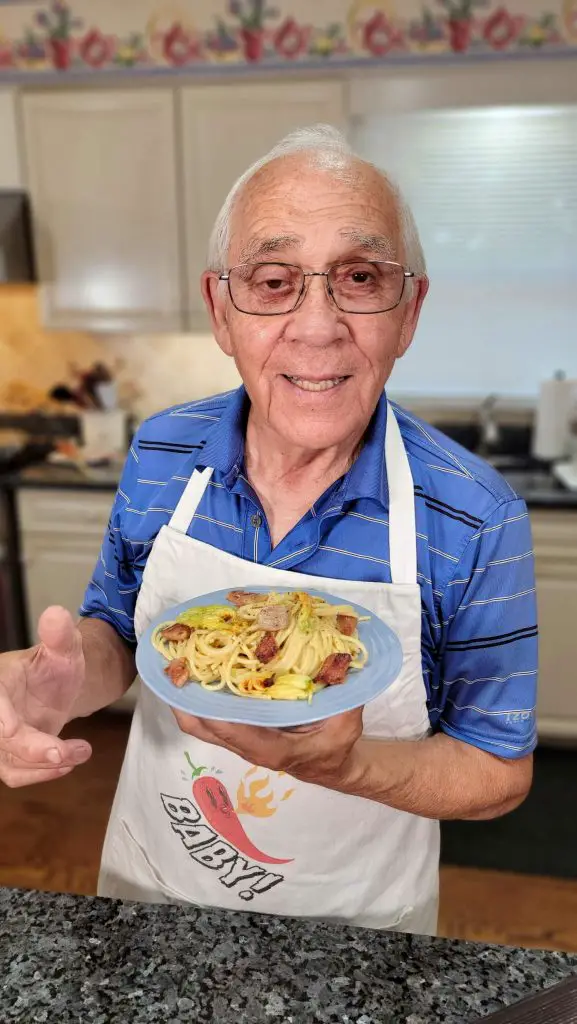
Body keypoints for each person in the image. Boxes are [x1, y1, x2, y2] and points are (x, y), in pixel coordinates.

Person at [0, 125, 537, 935]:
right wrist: (60, 683)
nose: (316, 327)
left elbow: (497, 767)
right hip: (151, 891)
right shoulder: (161, 452)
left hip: (356, 929)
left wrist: (350, 764)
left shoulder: (474, 514)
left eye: (359, 277)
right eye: (273, 280)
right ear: (222, 310)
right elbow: (117, 635)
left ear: (409, 310)